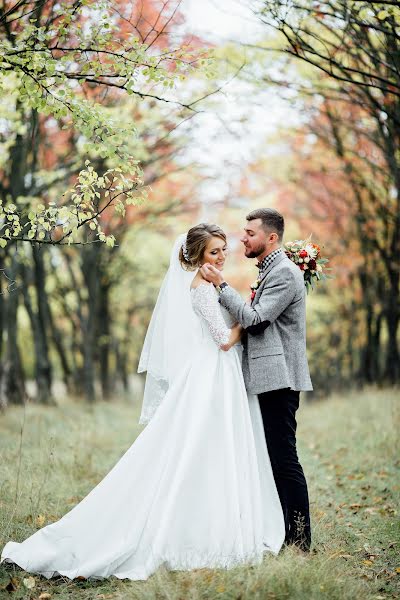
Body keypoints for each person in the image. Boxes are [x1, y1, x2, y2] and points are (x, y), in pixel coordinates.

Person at [1, 223, 284, 581]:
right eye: (214, 251)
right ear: (196, 257)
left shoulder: (211, 285)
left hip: (220, 375)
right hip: (212, 373)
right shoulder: (200, 289)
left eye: (223, 249)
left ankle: (221, 521)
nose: (221, 256)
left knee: (217, 449)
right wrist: (249, 314)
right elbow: (224, 340)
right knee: (198, 447)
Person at [200, 209, 313, 551]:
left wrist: (221, 285)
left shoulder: (283, 273)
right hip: (268, 377)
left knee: (284, 458)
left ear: (271, 237)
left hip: (279, 378)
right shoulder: (270, 270)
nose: (243, 239)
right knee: (274, 458)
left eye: (249, 233)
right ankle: (285, 533)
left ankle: (300, 542)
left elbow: (256, 320)